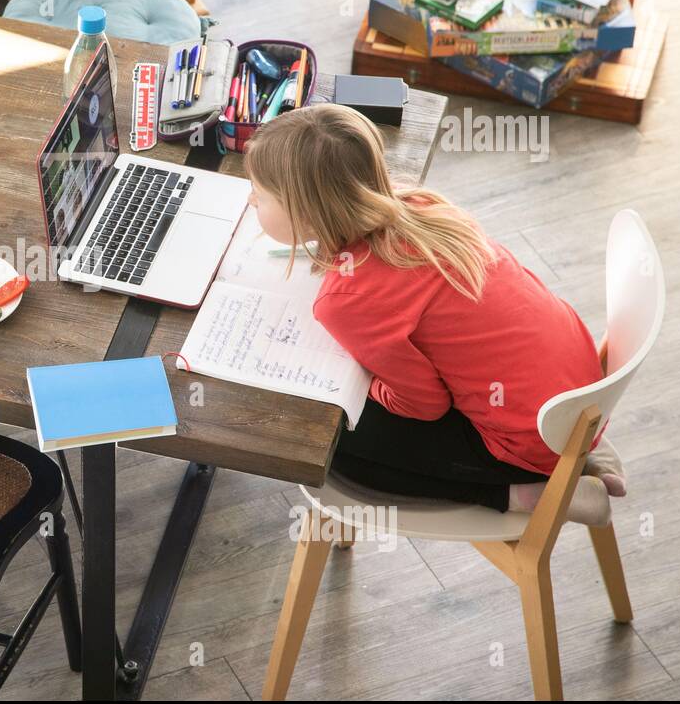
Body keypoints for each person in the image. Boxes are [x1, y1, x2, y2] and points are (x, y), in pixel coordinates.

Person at [243, 104, 620, 521]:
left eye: (260, 195)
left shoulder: (346, 299)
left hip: (531, 441)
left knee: (326, 442)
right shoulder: (421, 204)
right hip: (580, 395)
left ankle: (531, 494)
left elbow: (423, 405)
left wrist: (366, 381)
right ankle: (584, 460)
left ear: (306, 212)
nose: (250, 198)